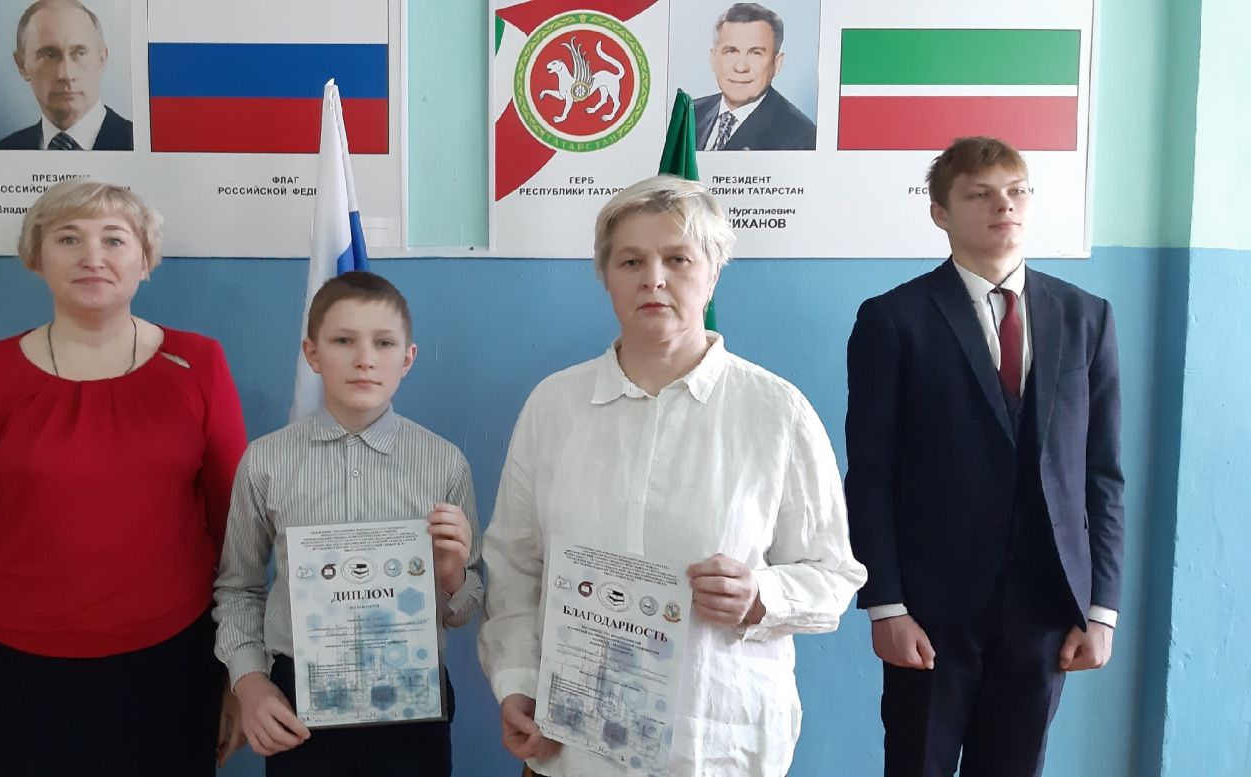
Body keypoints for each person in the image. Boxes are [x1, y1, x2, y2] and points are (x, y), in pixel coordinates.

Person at [479, 175, 865, 777]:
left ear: (712, 276)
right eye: (631, 261)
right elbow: (514, 568)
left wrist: (760, 595)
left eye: (678, 260)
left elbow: (833, 574)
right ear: (606, 276)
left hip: (715, 751)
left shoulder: (775, 412)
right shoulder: (554, 406)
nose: (653, 279)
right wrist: (516, 682)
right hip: (574, 751)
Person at [0, 179, 245, 776]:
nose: (93, 256)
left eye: (114, 239)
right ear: (36, 258)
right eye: (68, 239)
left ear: (145, 260)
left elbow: (237, 547)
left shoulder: (199, 364)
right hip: (19, 680)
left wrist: (241, 676)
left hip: (173, 672)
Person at [845, 137, 1124, 776]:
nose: (1005, 205)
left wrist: (1101, 608)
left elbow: (1103, 475)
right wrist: (886, 604)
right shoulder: (894, 319)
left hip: (1047, 606)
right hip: (930, 607)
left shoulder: (1086, 317)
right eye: (980, 194)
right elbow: (871, 475)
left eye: (1016, 191)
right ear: (940, 213)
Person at [213, 271, 484, 777]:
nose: (365, 358)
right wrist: (249, 682)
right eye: (343, 341)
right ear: (312, 354)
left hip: (411, 697)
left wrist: (450, 575)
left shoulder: (445, 465)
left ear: (407, 358)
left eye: (384, 343)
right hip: (298, 699)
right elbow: (238, 587)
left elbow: (464, 606)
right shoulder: (266, 461)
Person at [0, 0, 134, 150]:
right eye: (49, 55)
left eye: (80, 53)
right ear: (21, 64)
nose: (66, 75)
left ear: (102, 59)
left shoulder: (139, 144)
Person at [693, 2, 816, 151]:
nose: (741, 67)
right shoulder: (691, 114)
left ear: (777, 63)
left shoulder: (801, 137)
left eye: (755, 53)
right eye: (731, 51)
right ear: (713, 59)